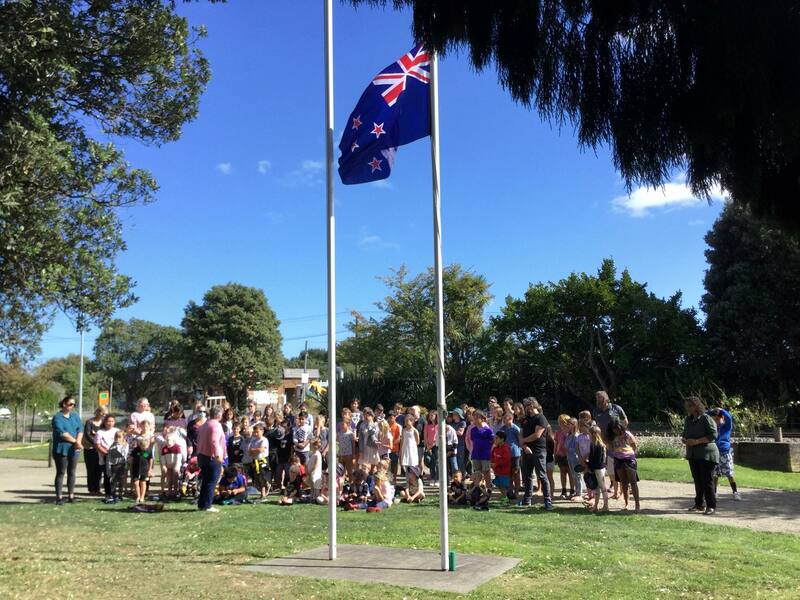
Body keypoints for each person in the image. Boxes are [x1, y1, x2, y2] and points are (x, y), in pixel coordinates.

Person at [682, 396, 719, 515]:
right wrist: (685, 439)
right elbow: (685, 434)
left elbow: (713, 435)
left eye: (689, 405)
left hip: (707, 454)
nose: (687, 408)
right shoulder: (688, 420)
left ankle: (711, 506)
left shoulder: (705, 418)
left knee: (707, 480)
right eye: (686, 406)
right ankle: (699, 504)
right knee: (697, 480)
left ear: (696, 406)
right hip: (693, 454)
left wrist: (697, 441)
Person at [518, 398, 552, 510]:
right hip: (526, 451)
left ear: (534, 405)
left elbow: (537, 435)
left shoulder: (541, 418)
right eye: (526, 405)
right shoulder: (525, 419)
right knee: (527, 476)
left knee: (542, 475)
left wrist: (523, 441)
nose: (527, 408)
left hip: (538, 451)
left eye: (529, 405)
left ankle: (547, 501)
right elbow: (520, 434)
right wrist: (524, 445)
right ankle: (527, 500)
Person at [594, 390, 628, 499]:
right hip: (605, 442)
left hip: (618, 441)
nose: (598, 400)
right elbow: (597, 425)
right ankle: (615, 490)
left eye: (600, 398)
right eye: (597, 398)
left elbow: (625, 421)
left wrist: (621, 434)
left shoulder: (616, 408)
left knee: (620, 465)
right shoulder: (596, 411)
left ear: (605, 398)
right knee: (610, 468)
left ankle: (624, 490)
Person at [51, 396, 83, 505]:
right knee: (61, 472)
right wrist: (76, 442)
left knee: (72, 472)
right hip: (61, 449)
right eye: (70, 404)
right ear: (64, 404)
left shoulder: (75, 416)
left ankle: (71, 496)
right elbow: (62, 433)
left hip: (74, 449)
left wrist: (77, 442)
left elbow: (80, 429)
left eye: (74, 404)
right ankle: (59, 497)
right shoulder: (57, 417)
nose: (72, 406)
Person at [196, 406, 227, 513]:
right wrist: (218, 456)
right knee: (211, 482)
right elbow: (214, 442)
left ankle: (202, 504)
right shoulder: (216, 425)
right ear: (219, 415)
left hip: (202, 455)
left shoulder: (205, 424)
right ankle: (208, 505)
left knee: (205, 481)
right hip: (211, 457)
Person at [708, 407, 741, 501]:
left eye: (717, 419)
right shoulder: (713, 427)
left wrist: (721, 410)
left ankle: (735, 492)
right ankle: (714, 492)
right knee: (715, 474)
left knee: (729, 474)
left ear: (722, 418)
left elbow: (729, 417)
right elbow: (705, 414)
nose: (716, 421)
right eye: (714, 420)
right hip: (715, 453)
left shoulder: (726, 426)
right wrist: (711, 411)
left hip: (725, 453)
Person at [607, 421, 641, 513]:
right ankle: (626, 504)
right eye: (614, 430)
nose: (616, 431)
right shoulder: (612, 437)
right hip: (618, 460)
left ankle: (637, 505)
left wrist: (632, 455)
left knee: (633, 482)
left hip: (629, 459)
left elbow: (634, 445)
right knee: (624, 483)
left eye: (618, 429)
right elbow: (611, 447)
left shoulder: (627, 434)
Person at [82, 406, 108, 495]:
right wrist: (96, 444)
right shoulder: (89, 422)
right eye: (102, 413)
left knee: (99, 470)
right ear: (97, 412)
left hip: (101, 450)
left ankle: (98, 489)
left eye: (105, 414)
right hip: (90, 449)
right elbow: (88, 435)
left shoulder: (104, 423)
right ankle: (91, 489)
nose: (104, 415)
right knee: (91, 469)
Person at [93, 414, 119, 498]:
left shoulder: (117, 431)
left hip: (116, 457)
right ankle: (108, 493)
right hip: (105, 457)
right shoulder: (100, 432)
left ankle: (114, 492)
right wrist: (107, 454)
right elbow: (97, 445)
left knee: (115, 476)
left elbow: (122, 442)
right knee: (107, 475)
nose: (110, 423)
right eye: (108, 421)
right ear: (104, 422)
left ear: (114, 422)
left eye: (112, 421)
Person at [469, 411, 495, 494]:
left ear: (482, 418)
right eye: (474, 417)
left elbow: (493, 441)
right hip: (476, 453)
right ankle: (478, 490)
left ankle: (488, 489)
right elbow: (473, 440)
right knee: (477, 472)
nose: (475, 419)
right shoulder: (473, 430)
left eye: (477, 417)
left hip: (485, 454)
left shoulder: (488, 430)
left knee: (486, 472)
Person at [586, 425, 609, 512]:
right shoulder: (594, 444)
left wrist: (590, 467)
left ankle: (606, 506)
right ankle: (596, 506)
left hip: (598, 469)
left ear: (593, 434)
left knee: (602, 487)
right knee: (596, 488)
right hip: (597, 468)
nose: (588, 436)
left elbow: (597, 460)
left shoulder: (598, 445)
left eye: (589, 434)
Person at [104, 430, 129, 503]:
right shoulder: (112, 446)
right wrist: (108, 468)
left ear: (123, 437)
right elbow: (109, 458)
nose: (117, 438)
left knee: (121, 481)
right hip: (114, 465)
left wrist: (119, 446)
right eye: (116, 437)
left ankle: (120, 495)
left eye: (119, 437)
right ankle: (113, 495)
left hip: (122, 465)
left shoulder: (126, 445)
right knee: (113, 481)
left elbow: (124, 455)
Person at [131, 434, 154, 504]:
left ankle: (142, 497)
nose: (144, 448)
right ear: (139, 445)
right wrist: (129, 465)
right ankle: (138, 496)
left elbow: (151, 460)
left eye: (145, 446)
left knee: (143, 483)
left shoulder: (148, 451)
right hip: (136, 469)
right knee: (136, 483)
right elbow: (131, 458)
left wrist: (150, 469)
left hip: (144, 469)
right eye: (142, 446)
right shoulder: (136, 450)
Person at [491, 430, 512, 500]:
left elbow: (506, 460)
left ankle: (507, 498)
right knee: (499, 485)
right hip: (497, 472)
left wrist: (496, 464)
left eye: (497, 438)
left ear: (502, 439)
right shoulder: (495, 448)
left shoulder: (506, 448)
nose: (495, 439)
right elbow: (492, 457)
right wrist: (492, 463)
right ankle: (505, 497)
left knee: (504, 486)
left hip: (504, 472)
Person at [338, 408, 356, 481]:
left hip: (348, 454)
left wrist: (353, 454)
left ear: (348, 425)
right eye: (341, 424)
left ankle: (351, 483)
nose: (341, 426)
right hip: (341, 453)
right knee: (340, 470)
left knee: (349, 470)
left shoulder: (350, 434)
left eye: (343, 424)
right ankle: (341, 484)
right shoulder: (340, 433)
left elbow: (353, 444)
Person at [423, 410, 439, 486]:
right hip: (429, 446)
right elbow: (425, 436)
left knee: (437, 462)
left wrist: (432, 445)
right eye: (430, 415)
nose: (431, 417)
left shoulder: (438, 425)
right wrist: (427, 446)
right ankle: (432, 478)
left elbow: (438, 437)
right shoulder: (427, 425)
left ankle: (438, 479)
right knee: (431, 462)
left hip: (436, 446)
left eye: (432, 415)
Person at [450, 408, 467, 474]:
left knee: (460, 461)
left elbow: (460, 433)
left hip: (460, 444)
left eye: (454, 414)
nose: (453, 415)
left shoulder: (463, 422)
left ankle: (462, 474)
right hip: (452, 445)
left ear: (458, 415)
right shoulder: (452, 423)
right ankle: (455, 476)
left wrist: (451, 431)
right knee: (453, 461)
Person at [387, 411, 402, 484]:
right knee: (388, 465)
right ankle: (390, 479)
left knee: (395, 464)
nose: (390, 419)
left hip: (395, 448)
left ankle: (394, 479)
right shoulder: (386, 425)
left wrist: (392, 444)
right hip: (386, 449)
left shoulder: (398, 426)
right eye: (389, 417)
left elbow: (399, 438)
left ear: (395, 417)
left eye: (392, 417)